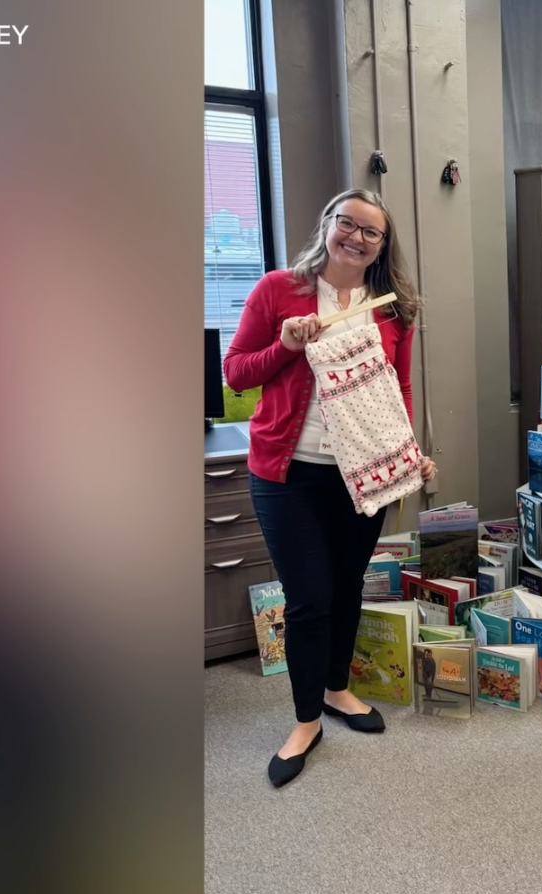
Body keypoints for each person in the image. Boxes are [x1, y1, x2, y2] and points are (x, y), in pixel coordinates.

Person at [224, 188, 438, 788]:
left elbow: (400, 390)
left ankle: (339, 690)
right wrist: (286, 346)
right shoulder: (278, 291)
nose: (357, 237)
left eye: (371, 232)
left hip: (364, 474)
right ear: (327, 225)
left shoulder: (393, 310)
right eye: (348, 223)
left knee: (346, 587)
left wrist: (408, 454)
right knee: (308, 597)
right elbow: (236, 371)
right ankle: (305, 718)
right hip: (287, 472)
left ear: (381, 246)